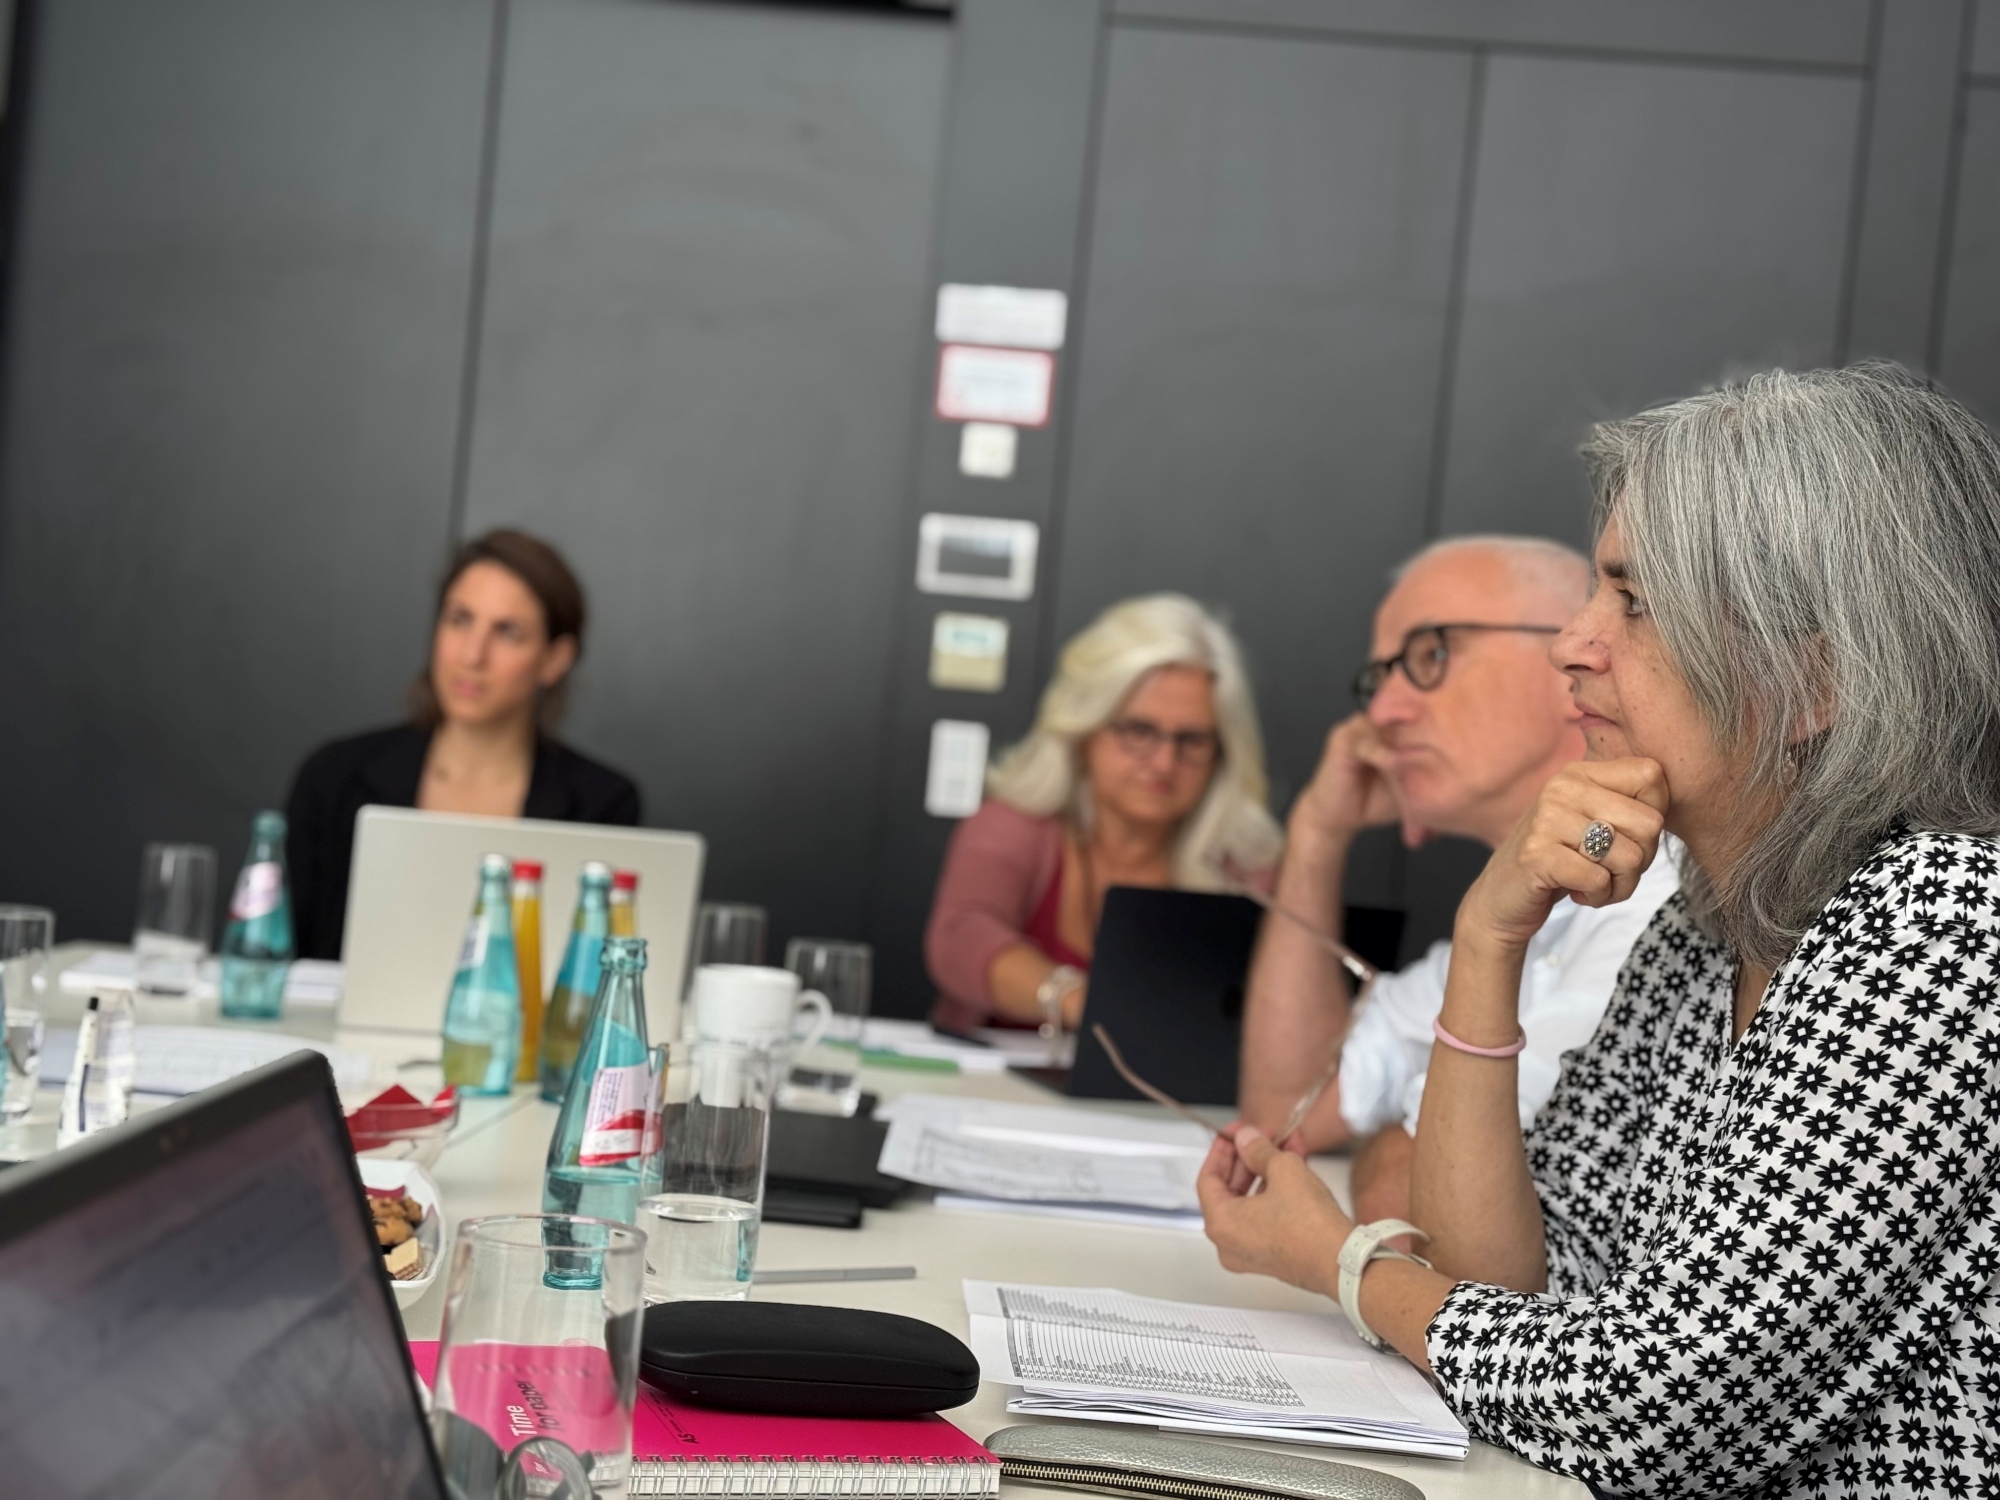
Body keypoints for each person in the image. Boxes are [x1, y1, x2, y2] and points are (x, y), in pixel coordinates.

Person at [1200, 363, 2000, 1494]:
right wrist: (1488, 934)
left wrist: (1343, 1263)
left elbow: (1654, 1412)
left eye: (1634, 600)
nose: (1571, 644)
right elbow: (1520, 1292)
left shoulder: (1943, 923)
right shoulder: (1702, 930)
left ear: (1812, 679)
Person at [1238, 536, 1679, 1224]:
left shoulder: (1668, 897)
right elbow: (1286, 1112)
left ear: (1574, 658)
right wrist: (1317, 835)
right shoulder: (1518, 907)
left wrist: (1399, 1133)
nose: (1382, 714)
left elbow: (1445, 1215)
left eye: (1431, 655)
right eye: (1381, 677)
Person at [926, 593, 1283, 1033]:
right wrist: (1076, 999)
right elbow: (960, 936)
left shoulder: (1245, 864)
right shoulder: (1015, 826)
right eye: (1139, 731)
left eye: (1191, 740)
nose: (1164, 763)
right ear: (1082, 729)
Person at [286, 529, 641, 958]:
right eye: (460, 620)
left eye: (507, 631)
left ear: (554, 659)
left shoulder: (602, 805)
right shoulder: (334, 777)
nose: (472, 655)